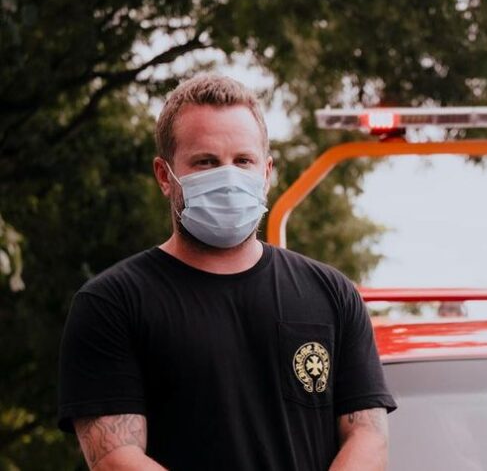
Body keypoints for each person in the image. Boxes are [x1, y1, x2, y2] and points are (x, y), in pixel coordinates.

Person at [58, 75, 396, 470]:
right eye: (206, 162)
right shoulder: (112, 304)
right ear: (165, 175)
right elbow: (116, 458)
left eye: (243, 161)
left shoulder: (331, 294)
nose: (229, 177)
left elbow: (368, 436)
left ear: (266, 172)